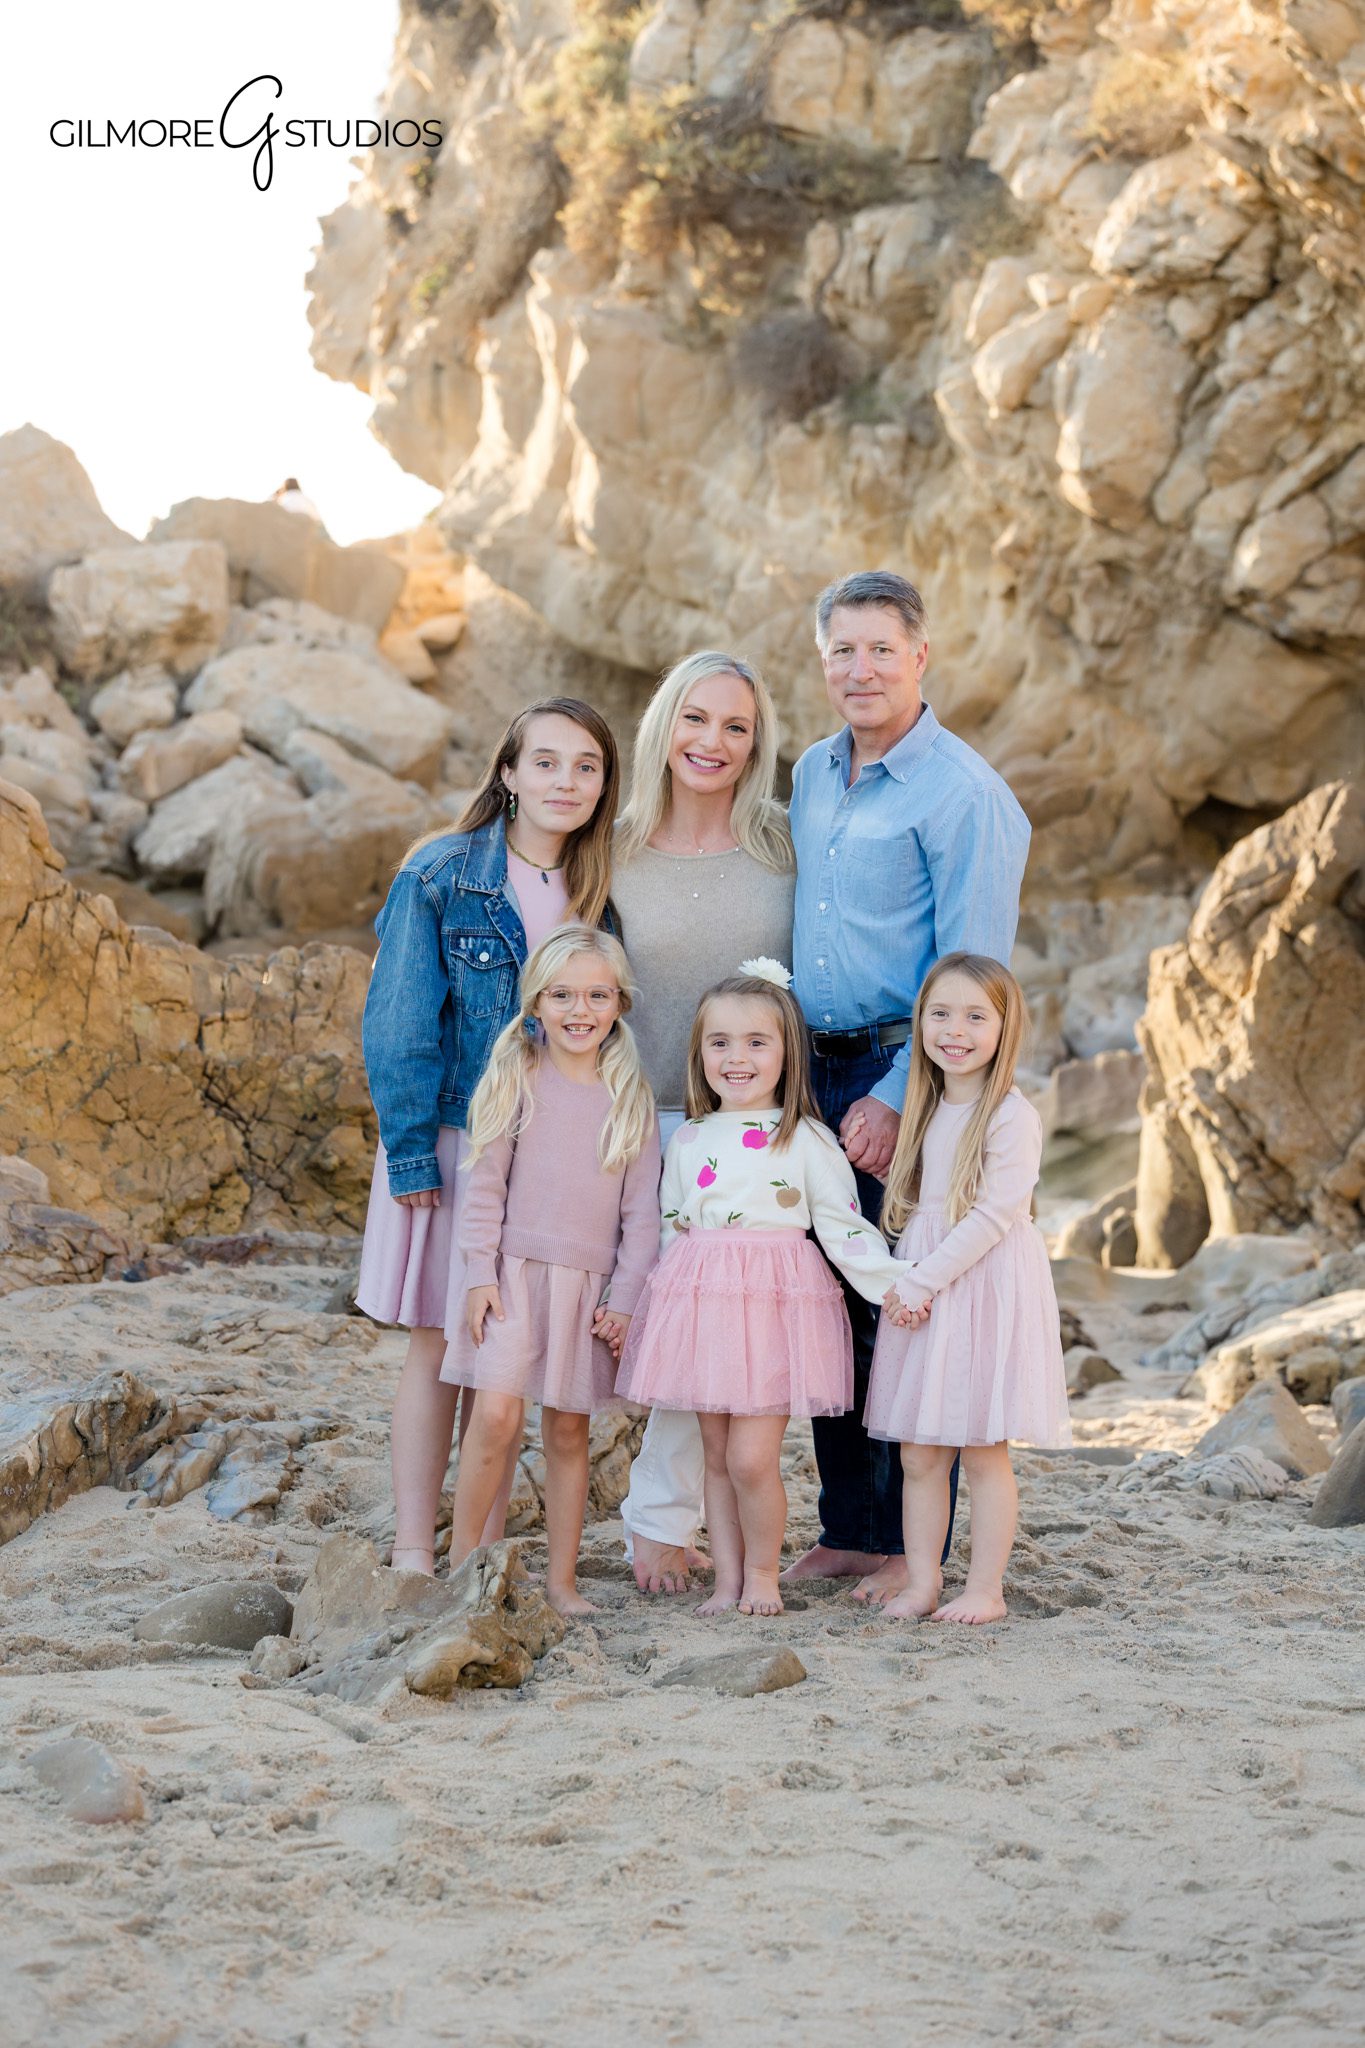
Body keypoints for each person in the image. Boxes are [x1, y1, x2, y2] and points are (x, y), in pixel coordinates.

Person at [782, 570, 1032, 1605]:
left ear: (921, 656)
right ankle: (850, 1525)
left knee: (897, 1302)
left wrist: (898, 1091)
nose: (861, 668)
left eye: (882, 648)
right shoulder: (808, 771)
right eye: (842, 649)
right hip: (810, 1061)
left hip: (905, 1071)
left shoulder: (963, 791)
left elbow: (975, 964)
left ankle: (901, 1544)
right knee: (829, 1298)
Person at [356, 698, 620, 1576]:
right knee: (440, 1339)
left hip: (547, 1155)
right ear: (507, 773)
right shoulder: (440, 874)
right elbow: (396, 1023)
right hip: (452, 1137)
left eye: (586, 766)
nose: (565, 782)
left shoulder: (598, 895)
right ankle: (409, 1549)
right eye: (545, 762)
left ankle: (479, 1548)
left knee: (501, 1352)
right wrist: (405, 1152)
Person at [616, 966, 909, 1618]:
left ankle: (763, 1576)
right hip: (702, 1312)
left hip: (773, 1315)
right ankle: (728, 1583)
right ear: (699, 1052)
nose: (736, 1057)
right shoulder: (689, 1139)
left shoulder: (804, 1138)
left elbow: (843, 1229)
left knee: (751, 1459)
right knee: (716, 1460)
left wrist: (898, 1287)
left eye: (755, 1042)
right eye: (719, 1042)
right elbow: (670, 1231)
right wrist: (651, 1315)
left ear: (786, 1053)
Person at [610, 651, 796, 1594]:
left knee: (711, 1335)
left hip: (746, 1131)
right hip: (634, 1120)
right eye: (695, 719)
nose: (711, 742)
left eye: (735, 726)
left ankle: (659, 1522)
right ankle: (643, 1509)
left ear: (757, 743)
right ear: (662, 726)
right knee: (636, 1322)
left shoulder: (784, 847)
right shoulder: (612, 845)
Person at [443, 928, 660, 1616]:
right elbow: (484, 1188)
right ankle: (463, 1568)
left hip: (587, 1291)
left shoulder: (629, 1098)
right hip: (513, 1278)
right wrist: (480, 1274)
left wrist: (623, 1301)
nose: (579, 1010)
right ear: (536, 1000)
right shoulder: (515, 1077)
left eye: (597, 995)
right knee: (497, 1418)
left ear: (620, 1003)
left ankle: (561, 1584)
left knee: (568, 1432)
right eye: (562, 994)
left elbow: (643, 1219)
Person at [869, 953, 1070, 1622]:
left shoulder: (1011, 1115)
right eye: (940, 1014)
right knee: (919, 1450)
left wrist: (919, 1280)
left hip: (981, 1283)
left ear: (1004, 1028)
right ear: (919, 1022)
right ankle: (921, 1582)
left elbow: (992, 1216)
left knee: (982, 1448)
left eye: (974, 1016)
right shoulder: (925, 1108)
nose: (954, 1030)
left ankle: (985, 1589)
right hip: (927, 1279)